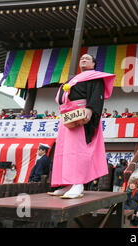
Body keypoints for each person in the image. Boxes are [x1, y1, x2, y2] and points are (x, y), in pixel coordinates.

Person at [48, 53, 116, 199]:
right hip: (67, 116)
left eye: (87, 58)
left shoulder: (95, 77)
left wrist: (90, 109)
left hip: (81, 114)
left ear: (93, 64)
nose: (83, 59)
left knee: (78, 150)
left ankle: (78, 183)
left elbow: (97, 94)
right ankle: (67, 183)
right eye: (82, 58)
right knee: (64, 150)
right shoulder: (73, 79)